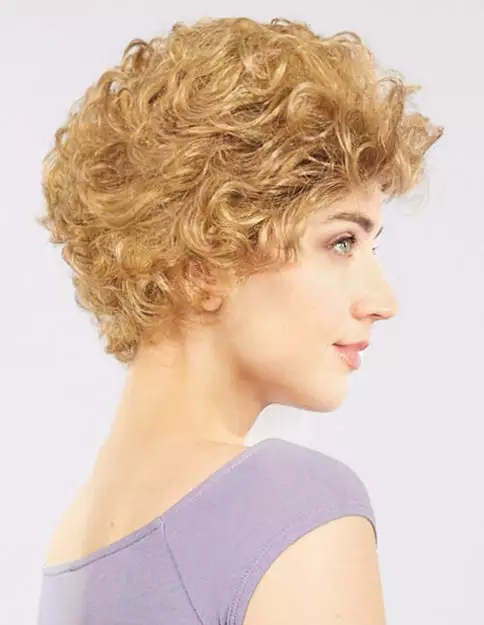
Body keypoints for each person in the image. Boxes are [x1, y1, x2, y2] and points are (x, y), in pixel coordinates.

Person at [35, 16, 443, 625]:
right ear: (203, 265)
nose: (383, 300)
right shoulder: (290, 506)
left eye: (371, 247)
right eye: (341, 242)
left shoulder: (74, 543)